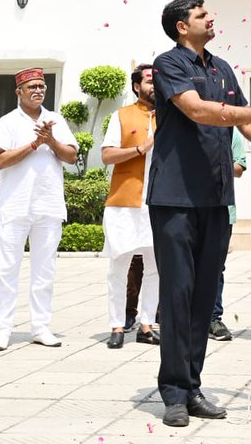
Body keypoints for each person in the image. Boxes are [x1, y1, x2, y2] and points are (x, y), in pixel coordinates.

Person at [148, 0, 251, 428]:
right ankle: (172, 392)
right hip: (175, 198)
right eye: (200, 15)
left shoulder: (223, 68)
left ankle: (192, 387)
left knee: (203, 297)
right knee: (177, 294)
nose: (211, 18)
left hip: (215, 198)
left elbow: (242, 125)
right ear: (180, 27)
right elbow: (196, 110)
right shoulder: (168, 64)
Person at [0, 67, 78, 351]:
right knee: (7, 269)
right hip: (15, 207)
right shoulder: (7, 122)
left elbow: (71, 155)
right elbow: (1, 160)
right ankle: (3, 329)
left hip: (48, 205)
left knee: (44, 271)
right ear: (19, 92)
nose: (39, 90)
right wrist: (34, 143)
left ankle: (41, 327)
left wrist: (50, 141)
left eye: (42, 86)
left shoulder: (55, 119)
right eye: (32, 87)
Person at [101, 62, 159, 349]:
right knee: (119, 266)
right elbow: (108, 155)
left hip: (158, 203)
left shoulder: (171, 118)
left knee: (155, 267)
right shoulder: (121, 116)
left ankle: (146, 325)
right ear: (137, 86)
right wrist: (140, 149)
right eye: (149, 80)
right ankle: (117, 325)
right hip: (124, 202)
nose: (154, 85)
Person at [209, 127, 247, 341]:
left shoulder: (231, 132)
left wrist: (214, 164)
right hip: (192, 208)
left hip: (223, 209)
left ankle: (214, 318)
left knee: (216, 267)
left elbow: (240, 167)